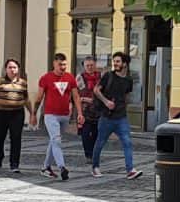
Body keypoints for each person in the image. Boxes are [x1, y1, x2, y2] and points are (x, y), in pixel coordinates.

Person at [91, 52, 143, 180]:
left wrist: (124, 106)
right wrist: (106, 102)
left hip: (121, 117)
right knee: (100, 142)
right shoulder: (108, 76)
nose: (115, 63)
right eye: (114, 61)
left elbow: (126, 96)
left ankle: (130, 170)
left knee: (127, 142)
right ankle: (95, 167)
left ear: (125, 64)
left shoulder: (128, 80)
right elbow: (96, 90)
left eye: (118, 61)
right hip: (106, 117)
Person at [35, 53, 84, 181]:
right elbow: (39, 98)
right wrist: (34, 114)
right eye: (60, 64)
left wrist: (80, 113)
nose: (62, 67)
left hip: (64, 116)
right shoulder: (46, 78)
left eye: (64, 65)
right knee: (56, 140)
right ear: (54, 64)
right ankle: (62, 167)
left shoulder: (70, 78)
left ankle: (46, 167)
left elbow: (76, 97)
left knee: (54, 140)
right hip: (50, 115)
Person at [0, 59, 37, 173]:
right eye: (10, 67)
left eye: (14, 67)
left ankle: (14, 164)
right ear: (6, 69)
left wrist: (32, 113)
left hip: (17, 113)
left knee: (16, 138)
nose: (12, 69)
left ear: (18, 69)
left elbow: (26, 99)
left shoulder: (23, 83)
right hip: (1, 113)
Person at [76, 56, 102, 162]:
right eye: (87, 66)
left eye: (92, 65)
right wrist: (84, 99)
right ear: (84, 66)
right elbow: (75, 94)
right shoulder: (80, 77)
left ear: (95, 65)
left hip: (98, 110)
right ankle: (88, 155)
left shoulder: (101, 77)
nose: (90, 67)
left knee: (96, 134)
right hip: (84, 110)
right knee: (85, 134)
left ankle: (94, 154)